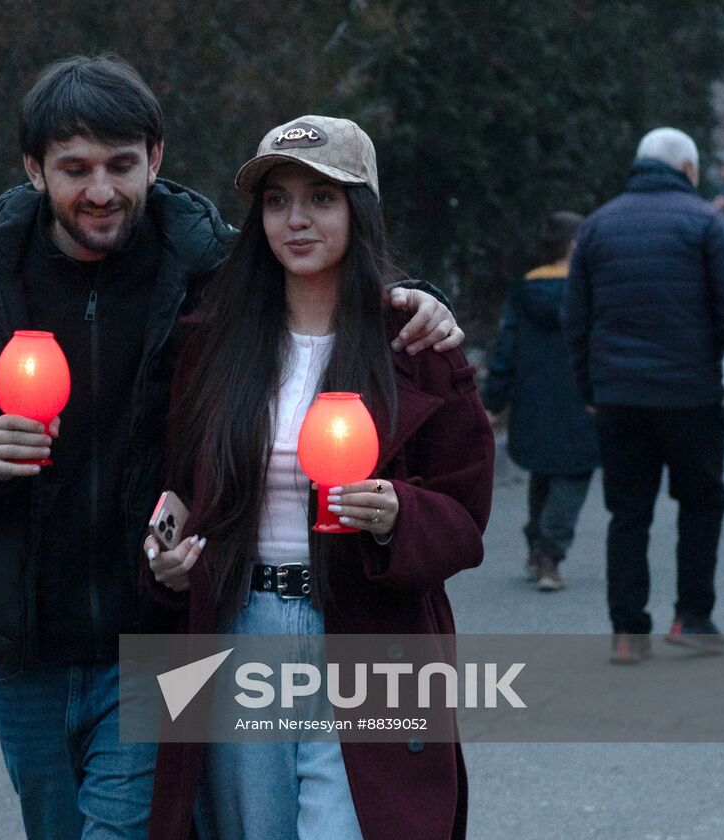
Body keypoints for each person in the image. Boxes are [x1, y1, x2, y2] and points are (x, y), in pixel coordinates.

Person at [0, 56, 463, 840]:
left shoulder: (204, 266)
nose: (101, 190)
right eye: (74, 168)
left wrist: (421, 302)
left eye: (122, 165)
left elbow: (319, 266)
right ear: (33, 169)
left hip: (155, 630)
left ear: (155, 157)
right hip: (25, 633)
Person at [143, 115, 493, 840]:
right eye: (276, 201)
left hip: (370, 631)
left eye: (321, 198)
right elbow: (179, 489)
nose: (296, 220)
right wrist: (166, 553)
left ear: (358, 210)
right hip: (243, 628)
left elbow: (464, 520)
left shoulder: (417, 345)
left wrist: (398, 512)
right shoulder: (214, 345)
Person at [562, 127, 724, 664]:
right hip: (690, 397)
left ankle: (628, 634)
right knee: (701, 504)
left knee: (628, 514)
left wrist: (589, 388)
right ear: (690, 170)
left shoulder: (598, 226)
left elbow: (576, 319)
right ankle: (692, 618)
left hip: (620, 400)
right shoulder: (707, 223)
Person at [483, 211, 599, 591]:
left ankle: (536, 544)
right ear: (575, 246)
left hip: (532, 398)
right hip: (582, 399)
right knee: (574, 473)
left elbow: (506, 348)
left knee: (542, 471)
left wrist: (495, 399)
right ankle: (549, 552)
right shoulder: (591, 292)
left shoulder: (525, 291)